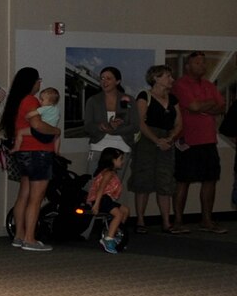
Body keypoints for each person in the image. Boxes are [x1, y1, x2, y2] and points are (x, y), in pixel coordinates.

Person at [1, 66, 56, 251]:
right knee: (36, 197)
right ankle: (30, 238)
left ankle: (19, 235)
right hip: (38, 152)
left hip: (24, 153)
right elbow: (37, 125)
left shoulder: (17, 100)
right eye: (38, 79)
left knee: (24, 195)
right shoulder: (31, 100)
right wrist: (56, 131)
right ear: (32, 82)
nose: (40, 83)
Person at [172, 51, 227, 234]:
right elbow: (193, 107)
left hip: (209, 140)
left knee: (210, 179)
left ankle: (207, 220)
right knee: (183, 181)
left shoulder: (209, 85)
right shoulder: (180, 85)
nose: (202, 66)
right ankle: (178, 221)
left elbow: (221, 106)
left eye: (203, 63)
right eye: (197, 63)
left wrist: (203, 106)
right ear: (188, 66)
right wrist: (208, 105)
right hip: (187, 140)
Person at [132, 65, 184, 233]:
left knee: (165, 181)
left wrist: (169, 138)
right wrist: (156, 140)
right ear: (156, 78)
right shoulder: (144, 96)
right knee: (143, 179)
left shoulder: (173, 99)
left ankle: (166, 222)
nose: (172, 79)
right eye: (168, 76)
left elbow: (179, 124)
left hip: (167, 142)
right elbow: (140, 122)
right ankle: (140, 220)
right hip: (147, 142)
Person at [84, 67, 136, 184]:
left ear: (117, 81)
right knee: (92, 185)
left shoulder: (129, 100)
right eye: (102, 78)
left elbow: (134, 126)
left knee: (114, 187)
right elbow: (87, 126)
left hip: (122, 148)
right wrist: (100, 126)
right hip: (98, 147)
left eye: (108, 78)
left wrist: (115, 129)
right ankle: (94, 203)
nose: (104, 81)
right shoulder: (93, 101)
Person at [88, 148, 129, 253]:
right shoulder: (108, 173)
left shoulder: (111, 172)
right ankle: (109, 239)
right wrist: (96, 205)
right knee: (118, 214)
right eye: (120, 159)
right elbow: (100, 189)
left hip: (106, 199)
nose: (123, 161)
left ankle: (116, 232)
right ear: (113, 160)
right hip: (102, 198)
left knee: (125, 210)